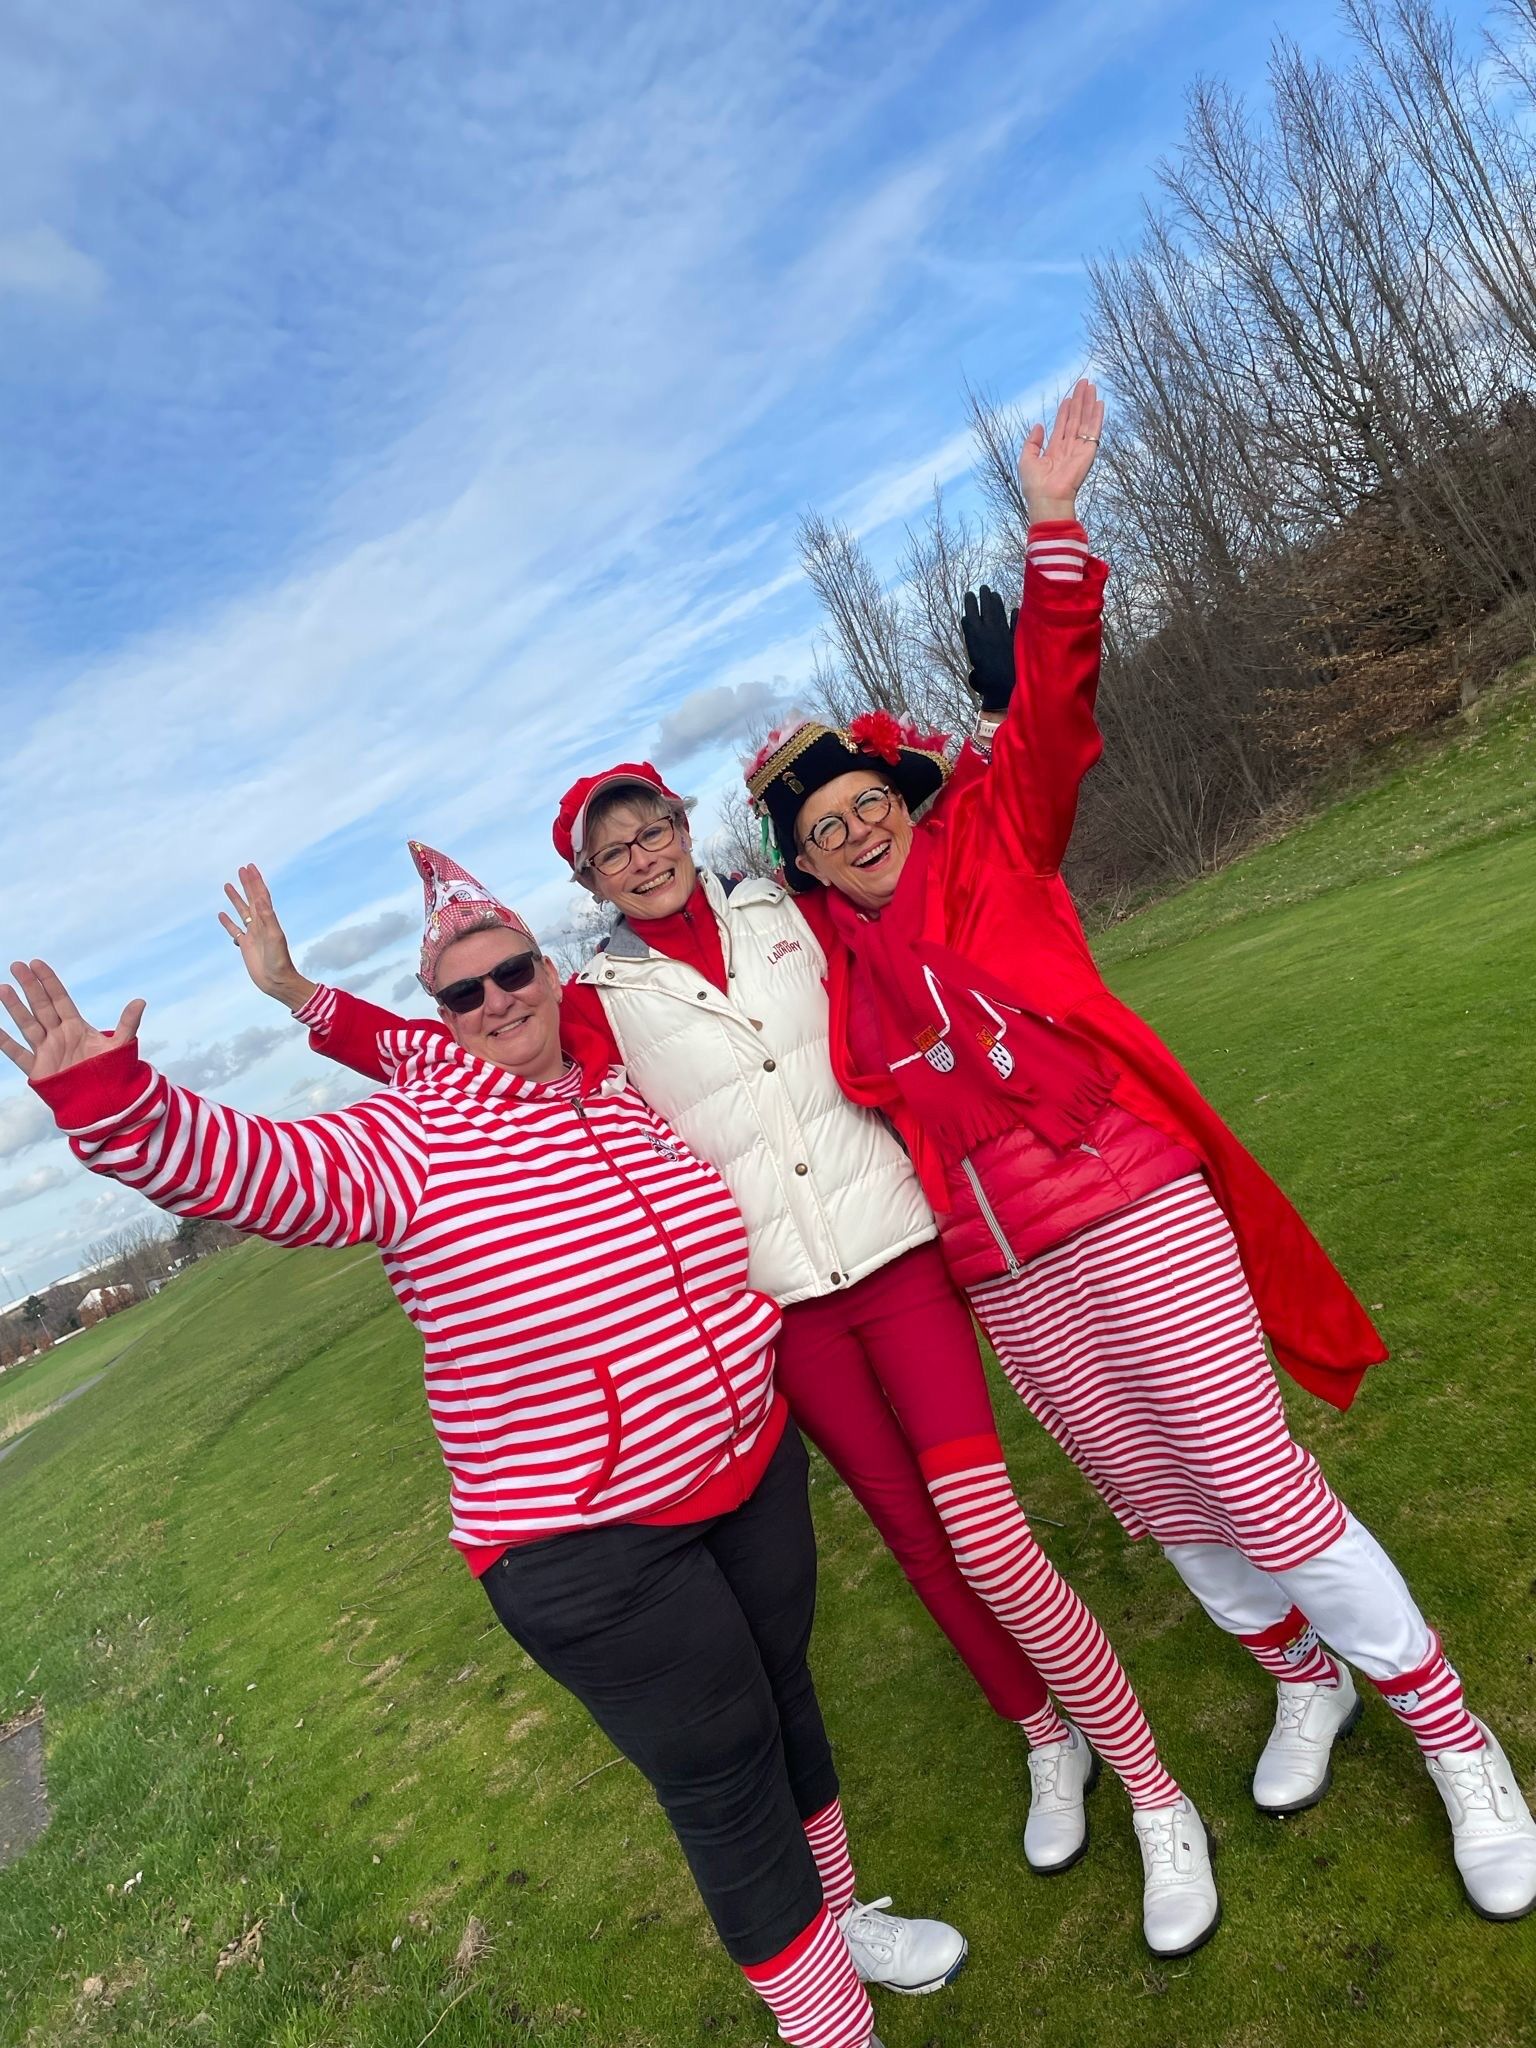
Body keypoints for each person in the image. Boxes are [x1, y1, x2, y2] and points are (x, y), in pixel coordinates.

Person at [224, 384, 1222, 1961]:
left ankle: (1151, 1783)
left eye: (653, 830)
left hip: (899, 1256)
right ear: (588, 881)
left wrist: (997, 705)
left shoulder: (795, 911)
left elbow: (932, 856)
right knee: (912, 1541)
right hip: (780, 1312)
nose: (642, 857)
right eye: (611, 851)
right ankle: (1042, 1733)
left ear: (686, 827)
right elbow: (455, 1036)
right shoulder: (597, 1001)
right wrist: (303, 1003)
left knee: (986, 1527)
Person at [740, 395, 1536, 1927]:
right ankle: (1302, 1676)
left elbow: (1051, 711)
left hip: (1125, 1205)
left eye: (865, 805)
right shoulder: (829, 972)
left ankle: (1456, 1737)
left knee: (1258, 1486)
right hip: (1005, 1275)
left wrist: (1053, 531)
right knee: (1164, 1504)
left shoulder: (995, 842)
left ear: (902, 800)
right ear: (805, 865)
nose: (854, 834)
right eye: (823, 831)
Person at [1, 845, 971, 2048]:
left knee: (786, 1699)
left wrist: (306, 991)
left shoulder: (621, 1089)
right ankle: (831, 2026)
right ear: (441, 1015)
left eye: (513, 971)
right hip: (592, 1545)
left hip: (749, 1467)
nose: (498, 999)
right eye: (464, 991)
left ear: (548, 971)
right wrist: (119, 1105)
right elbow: (264, 1170)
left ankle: (841, 1915)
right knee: (725, 1776)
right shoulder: (413, 1136)